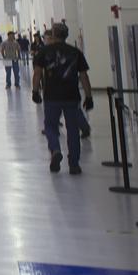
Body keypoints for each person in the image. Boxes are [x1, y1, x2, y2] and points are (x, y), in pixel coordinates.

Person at [32, 22, 93, 174]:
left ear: (53, 34)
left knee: (50, 126)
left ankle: (55, 149)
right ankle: (74, 164)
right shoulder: (75, 52)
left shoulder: (44, 52)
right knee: (73, 130)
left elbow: (37, 73)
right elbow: (83, 76)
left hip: (52, 96)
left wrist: (35, 91)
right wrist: (89, 96)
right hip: (71, 96)